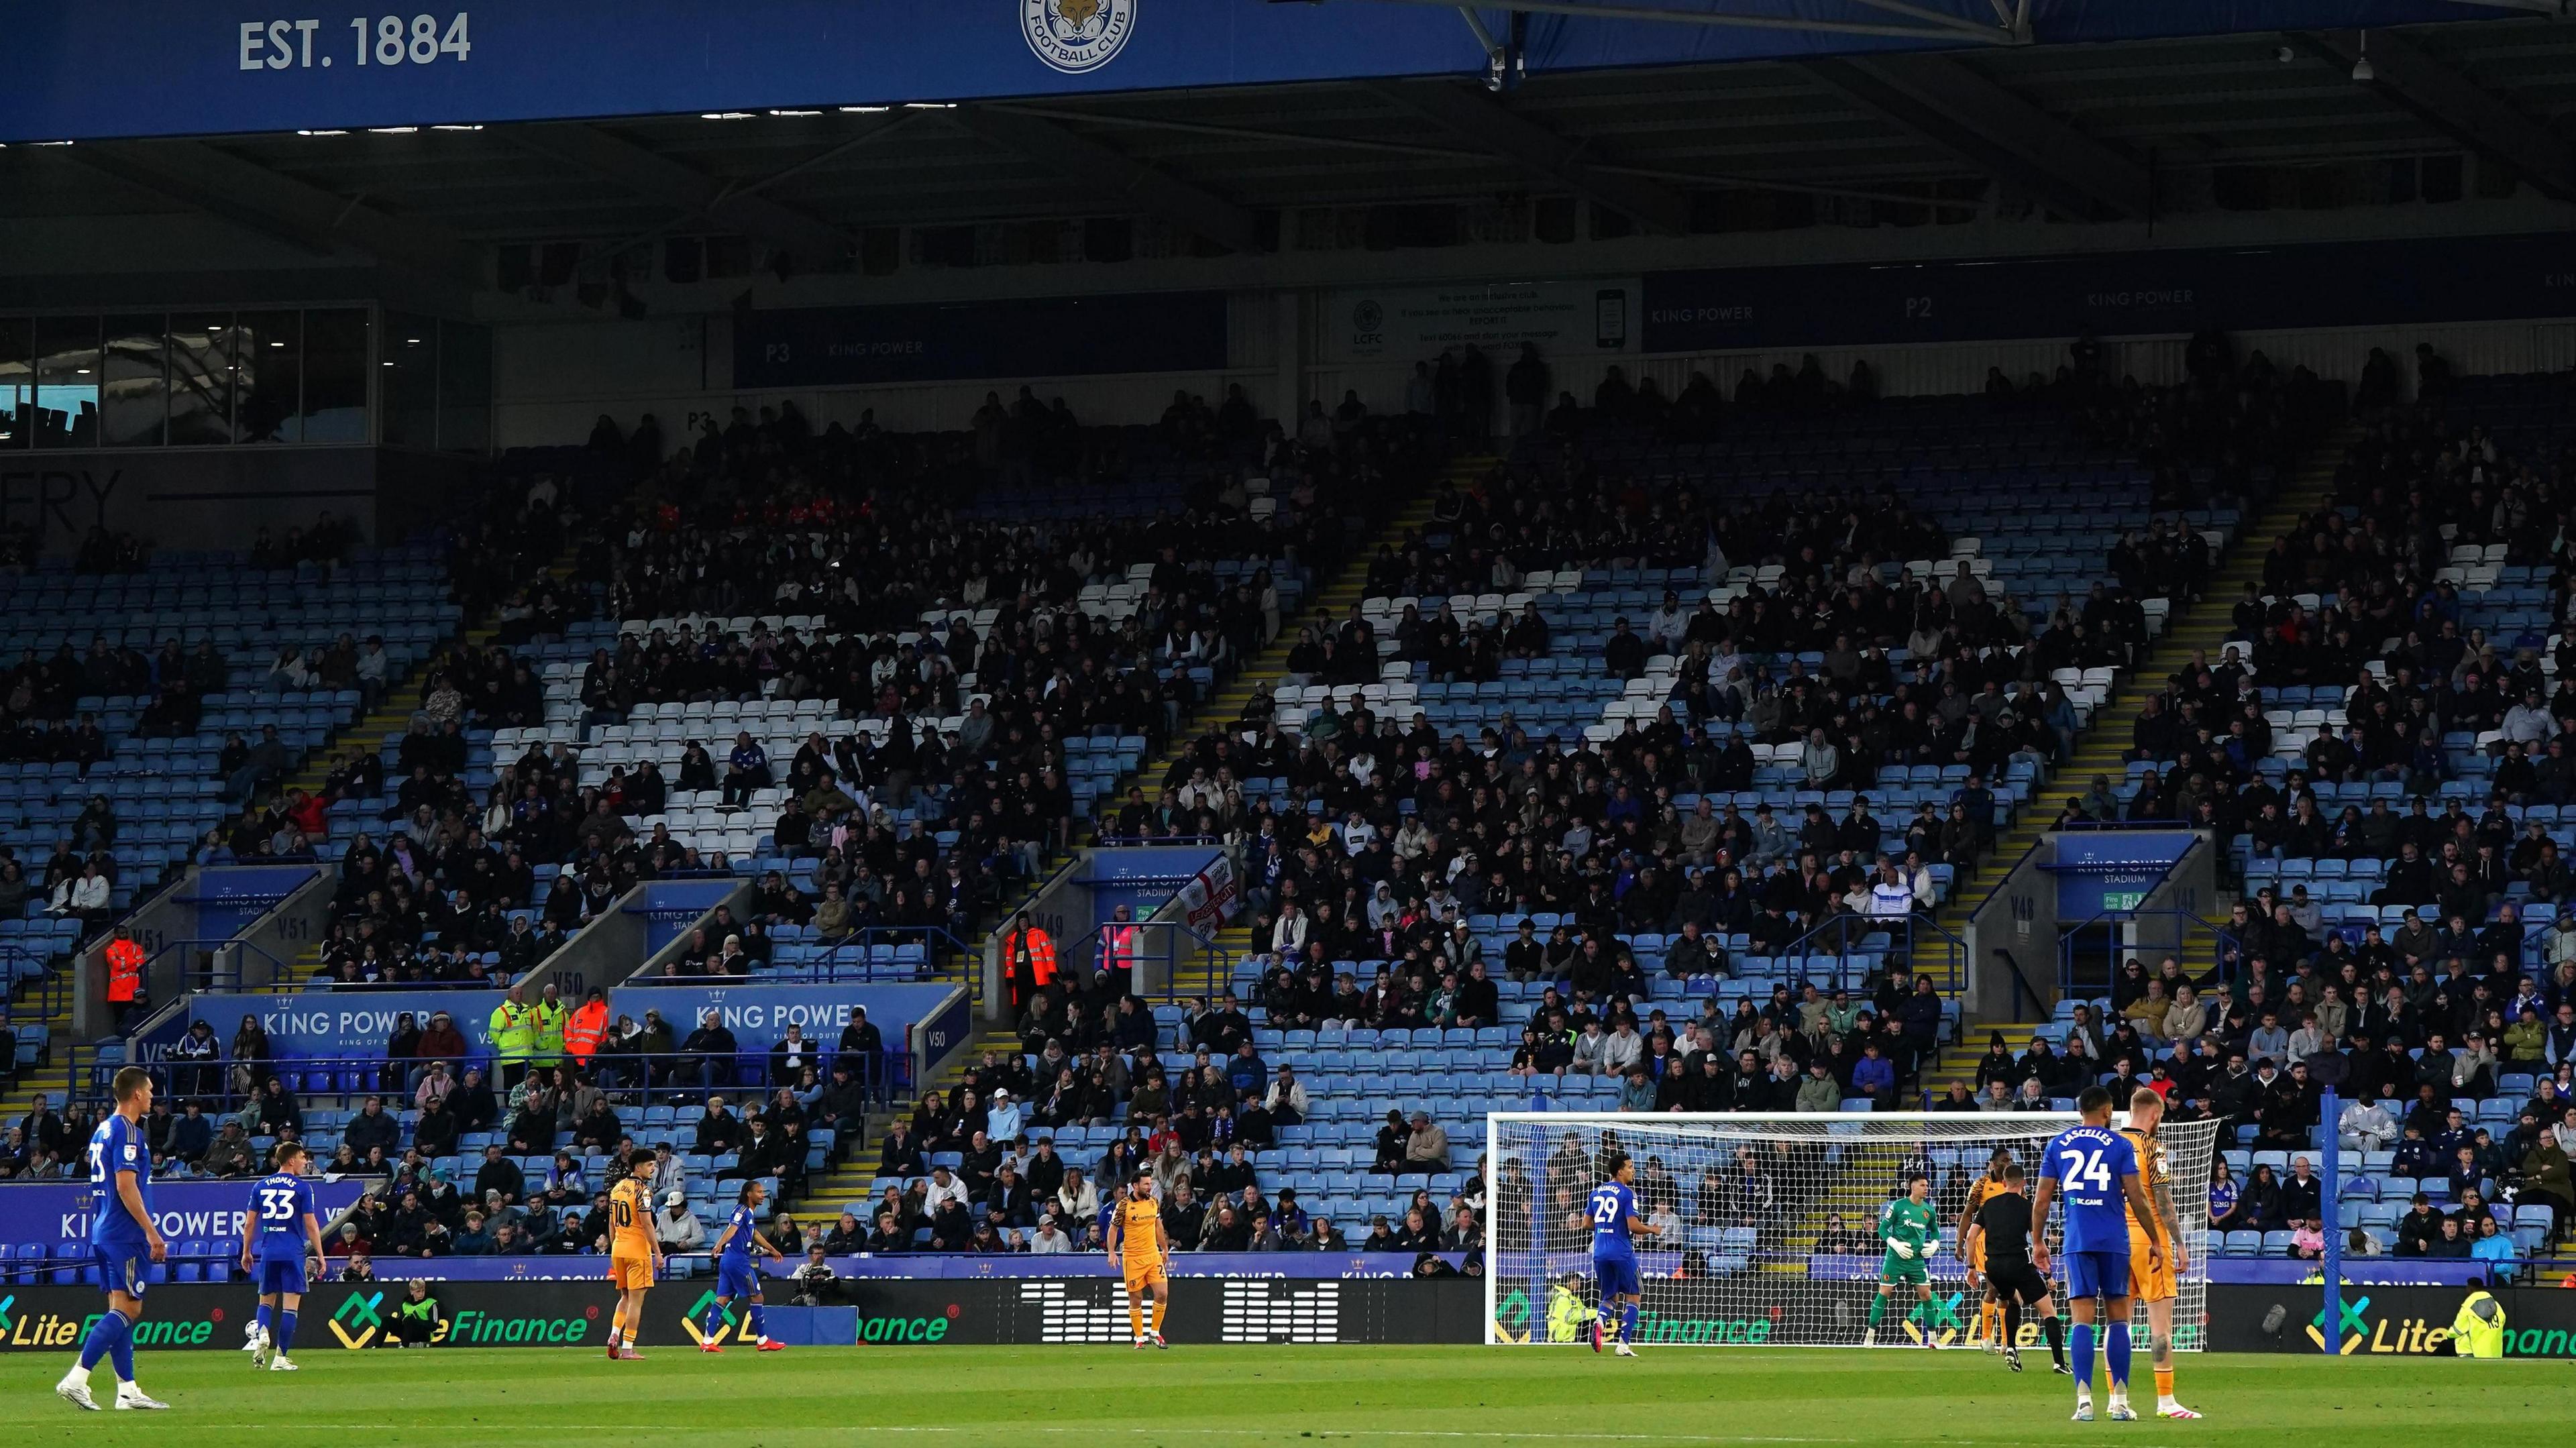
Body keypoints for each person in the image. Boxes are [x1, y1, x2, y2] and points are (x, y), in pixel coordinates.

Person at [2031, 1086, 2163, 1423]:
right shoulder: (2120, 1144)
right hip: (2114, 1242)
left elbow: (2042, 1201)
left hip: (2078, 1240)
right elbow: (2137, 1197)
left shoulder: (2057, 1145)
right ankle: (2119, 1402)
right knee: (2119, 1319)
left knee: (2081, 1322)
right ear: (2107, 1112)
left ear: (2080, 1112)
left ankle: (2084, 1403)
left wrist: (2038, 1242)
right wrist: (2155, 1239)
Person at [56, 1066, 169, 1412]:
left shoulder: (103, 1130)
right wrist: (152, 1232)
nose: (152, 1096)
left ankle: (127, 1391)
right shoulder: (129, 1131)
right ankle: (77, 1378)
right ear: (136, 1094)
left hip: (104, 1228)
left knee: (119, 1308)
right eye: (149, 1090)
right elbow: (125, 1185)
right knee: (132, 1309)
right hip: (125, 1233)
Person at [2118, 1087, 2200, 1418]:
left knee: (2117, 1326)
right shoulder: (2152, 1146)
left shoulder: (2111, 1145)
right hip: (2150, 1241)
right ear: (2154, 1114)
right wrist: (2179, 1243)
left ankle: (2117, 1400)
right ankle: (2166, 1402)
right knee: (2160, 1327)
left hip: (2115, 1243)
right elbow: (2163, 1200)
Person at [1964, 1162, 2068, 1375]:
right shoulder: (2027, 1207)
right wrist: (2048, 1275)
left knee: (2014, 1299)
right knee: (2049, 1311)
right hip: (2018, 1263)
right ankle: (2059, 1362)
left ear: (2003, 1182)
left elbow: (1971, 1237)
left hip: (1993, 1267)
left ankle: (2010, 1347)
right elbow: (2039, 1244)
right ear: (2024, 1183)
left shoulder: (1988, 1206)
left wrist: (1972, 1268)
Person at [238, 1141, 327, 1372]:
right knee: (290, 1307)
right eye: (302, 1157)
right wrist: (320, 1254)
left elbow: (249, 1224)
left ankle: (264, 1332)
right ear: (291, 1160)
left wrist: (246, 1252)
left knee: (266, 1300)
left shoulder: (260, 1186)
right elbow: (311, 1224)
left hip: (268, 1250)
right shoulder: (303, 1188)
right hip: (293, 1251)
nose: (305, 1161)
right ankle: (280, 1357)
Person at [698, 1179, 788, 1353]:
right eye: (759, 1192)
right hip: (738, 1261)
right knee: (757, 1297)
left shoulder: (749, 1214)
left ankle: (707, 1341)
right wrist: (719, 1244)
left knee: (722, 1299)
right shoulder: (742, 1210)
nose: (763, 1196)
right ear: (749, 1194)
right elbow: (732, 1228)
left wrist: (772, 1249)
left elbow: (754, 1233)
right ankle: (762, 1340)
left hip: (728, 1261)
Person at [1862, 1172, 1947, 1349]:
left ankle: (1933, 1338)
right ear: (1912, 1186)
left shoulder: (1928, 1210)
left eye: (1927, 1185)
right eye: (1923, 1185)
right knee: (1885, 1292)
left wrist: (1935, 1244)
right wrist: (1894, 1243)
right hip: (1896, 1257)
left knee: (1927, 1294)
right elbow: (1883, 1229)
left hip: (1916, 1260)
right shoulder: (1899, 1206)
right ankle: (1869, 1336)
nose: (1926, 1188)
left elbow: (1936, 1231)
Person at [1587, 1147, 1659, 1357]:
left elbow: (1586, 1223)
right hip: (1621, 1252)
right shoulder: (1628, 1194)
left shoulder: (1596, 1192)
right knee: (1634, 1296)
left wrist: (1606, 1227)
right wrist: (1652, 1230)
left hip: (1599, 1252)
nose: (1633, 1171)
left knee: (1610, 1297)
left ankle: (1600, 1321)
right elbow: (1634, 1226)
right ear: (1619, 1172)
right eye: (1630, 1167)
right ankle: (1623, 1345)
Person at [604, 1156, 659, 1360]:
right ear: (638, 1167)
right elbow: (647, 1224)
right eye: (649, 1165)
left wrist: (614, 1247)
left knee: (624, 1297)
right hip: (637, 1250)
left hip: (619, 1248)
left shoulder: (617, 1188)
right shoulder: (643, 1191)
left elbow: (611, 1223)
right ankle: (627, 1348)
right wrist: (658, 1252)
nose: (652, 1169)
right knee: (636, 1301)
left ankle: (614, 1335)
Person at [1108, 1170, 1171, 1349]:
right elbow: (1113, 1229)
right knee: (1136, 1298)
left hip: (1152, 1255)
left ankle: (1155, 1333)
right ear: (1135, 1186)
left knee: (1162, 1293)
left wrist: (1164, 1248)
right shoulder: (1124, 1205)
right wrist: (1111, 1252)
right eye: (1145, 1184)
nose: (1149, 1187)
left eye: (1150, 1184)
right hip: (1133, 1257)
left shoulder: (1153, 1202)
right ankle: (1139, 1337)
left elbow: (1158, 1225)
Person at [385, 1279, 442, 1347]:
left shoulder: (431, 1303)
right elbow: (400, 1322)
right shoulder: (406, 1304)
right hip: (407, 1332)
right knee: (386, 1320)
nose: (421, 1294)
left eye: (423, 1291)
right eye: (418, 1291)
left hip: (424, 1333)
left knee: (409, 1320)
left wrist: (415, 1322)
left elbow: (434, 1326)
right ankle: (376, 1347)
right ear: (412, 1292)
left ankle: (404, 1346)